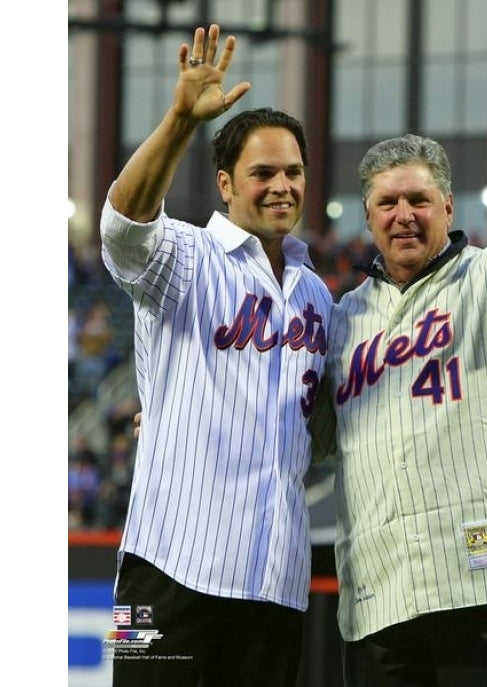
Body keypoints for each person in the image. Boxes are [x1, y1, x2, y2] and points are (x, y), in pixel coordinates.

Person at [310, 64, 487, 686]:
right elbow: (302, 441)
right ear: (368, 217)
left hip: (486, 589)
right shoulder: (341, 322)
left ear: (447, 205)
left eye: (418, 200)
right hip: (379, 604)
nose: (404, 214)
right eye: (388, 202)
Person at [99, 23, 331, 686]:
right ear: (226, 183)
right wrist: (178, 120)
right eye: (262, 172)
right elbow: (122, 226)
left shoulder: (316, 293)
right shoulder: (184, 257)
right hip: (161, 566)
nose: (280, 184)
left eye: (292, 171)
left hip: (274, 580)